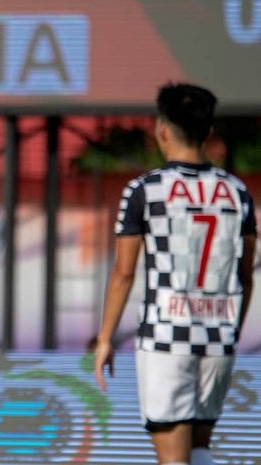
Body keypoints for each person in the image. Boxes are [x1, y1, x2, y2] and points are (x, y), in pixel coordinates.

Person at [94, 83, 257, 465]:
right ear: (209, 131)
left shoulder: (146, 190)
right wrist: (231, 329)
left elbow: (122, 273)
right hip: (218, 337)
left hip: (167, 337)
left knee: (173, 457)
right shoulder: (236, 191)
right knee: (199, 449)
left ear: (162, 129)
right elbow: (246, 275)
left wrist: (105, 339)